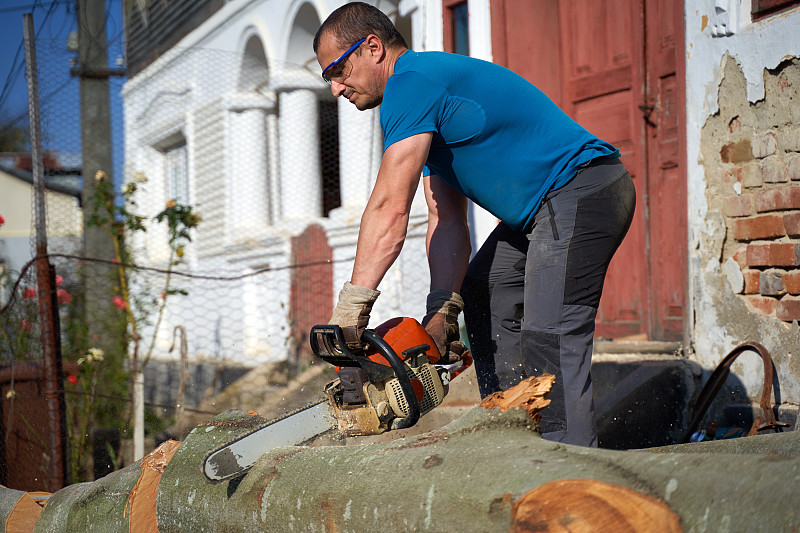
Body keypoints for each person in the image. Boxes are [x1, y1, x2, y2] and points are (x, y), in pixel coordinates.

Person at [313, 2, 635, 447]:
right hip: (544, 210)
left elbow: (390, 207)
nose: (334, 88)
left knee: (550, 332)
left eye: (338, 69)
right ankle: (510, 435)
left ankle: (569, 468)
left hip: (583, 189)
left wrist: (352, 309)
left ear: (372, 48)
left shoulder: (411, 82)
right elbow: (445, 217)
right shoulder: (420, 103)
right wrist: (442, 309)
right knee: (481, 289)